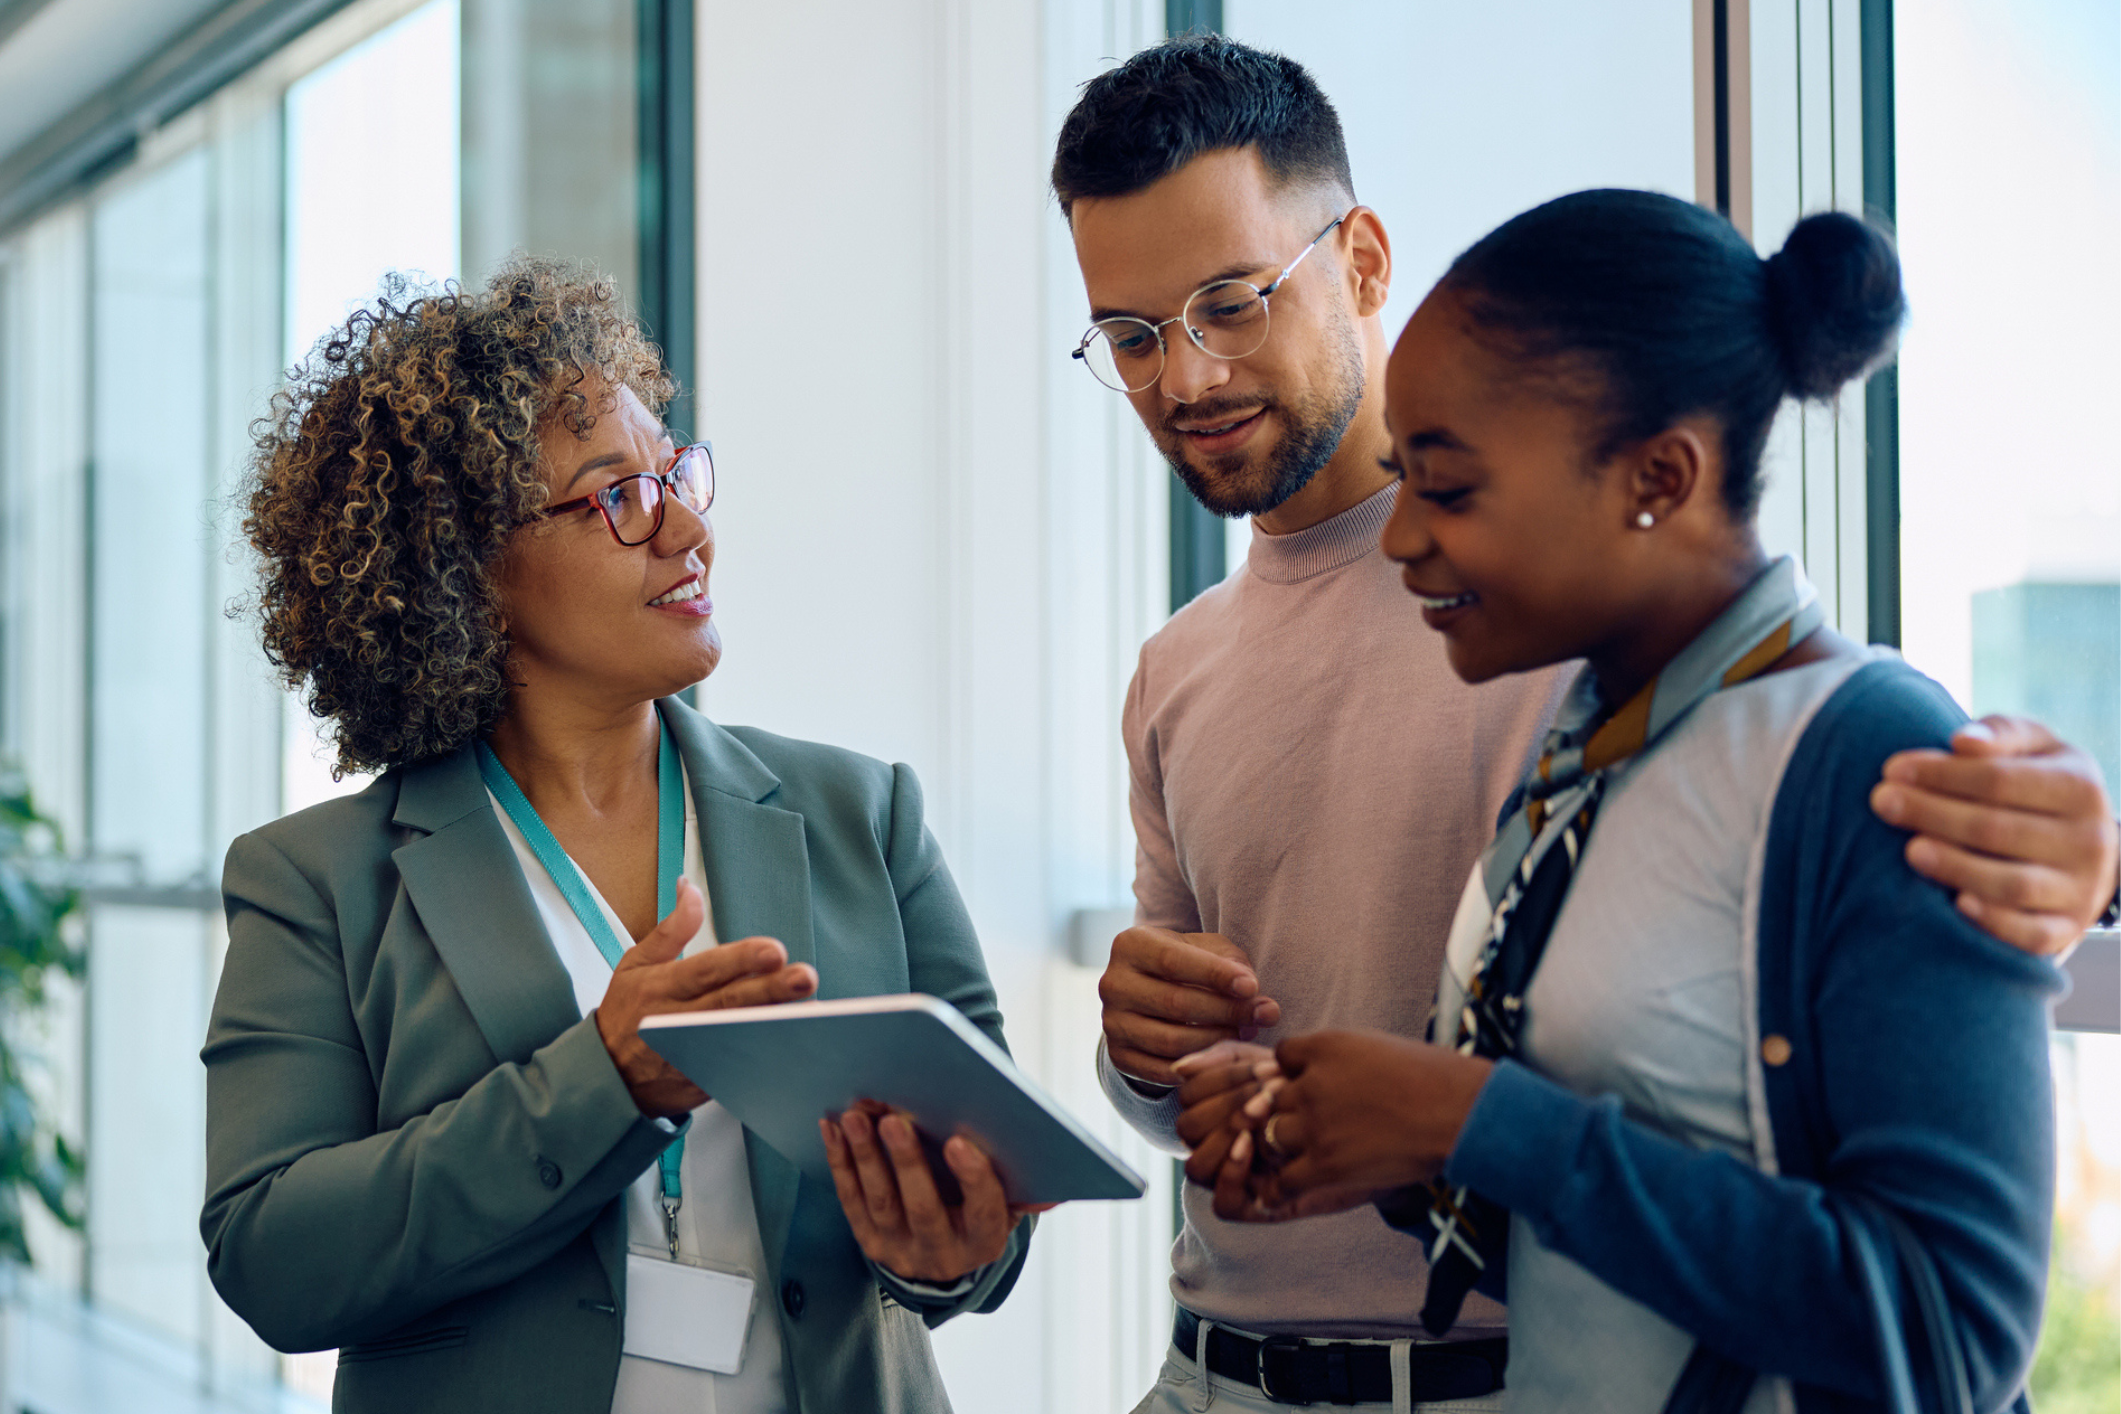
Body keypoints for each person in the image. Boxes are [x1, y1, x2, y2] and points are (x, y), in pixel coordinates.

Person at [1053, 34, 2120, 1414]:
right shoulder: (1201, 673)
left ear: (1361, 264)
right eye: (1133, 337)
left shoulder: (1647, 660)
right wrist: (1159, 1064)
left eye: (1232, 302)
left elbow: (1936, 1310)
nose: (1185, 378)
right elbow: (1523, 1102)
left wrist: (2077, 846)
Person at [200, 260, 1032, 1414]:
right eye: (618, 496)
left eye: (675, 472)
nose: (687, 526)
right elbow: (273, 1259)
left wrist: (947, 1249)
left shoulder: (866, 814)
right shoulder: (315, 883)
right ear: (466, 564)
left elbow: (990, 1210)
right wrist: (601, 1082)